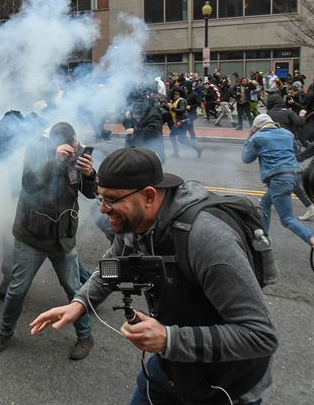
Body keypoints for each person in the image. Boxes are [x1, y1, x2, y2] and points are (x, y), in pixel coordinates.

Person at [30, 147, 278, 404]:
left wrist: (169, 339)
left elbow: (259, 335)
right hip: (171, 368)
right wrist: (79, 303)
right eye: (102, 198)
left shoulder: (206, 238)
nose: (103, 209)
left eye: (112, 199)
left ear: (149, 195)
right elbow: (111, 267)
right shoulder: (134, 222)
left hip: (224, 384)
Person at [0, 122, 95, 360]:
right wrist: (54, 163)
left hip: (62, 237)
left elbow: (91, 192)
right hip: (31, 235)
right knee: (17, 290)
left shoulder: (78, 151)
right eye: (68, 146)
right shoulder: (36, 149)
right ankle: (5, 332)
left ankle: (85, 336)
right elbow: (29, 183)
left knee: (74, 289)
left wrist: (89, 175)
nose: (72, 149)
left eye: (74, 144)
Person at [242, 114, 314, 246]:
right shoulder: (287, 133)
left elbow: (246, 158)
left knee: (287, 218)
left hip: (279, 177)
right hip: (296, 174)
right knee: (264, 203)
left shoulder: (257, 137)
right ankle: (263, 239)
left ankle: (311, 237)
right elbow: (294, 151)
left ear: (257, 127)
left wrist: (250, 136)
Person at [168, 89, 202, 158]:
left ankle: (176, 153)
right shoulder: (174, 101)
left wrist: (172, 108)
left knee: (172, 136)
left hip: (183, 122)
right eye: (174, 94)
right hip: (182, 121)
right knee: (181, 139)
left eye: (177, 94)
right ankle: (198, 149)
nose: (175, 95)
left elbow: (182, 110)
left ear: (180, 95)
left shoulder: (181, 101)